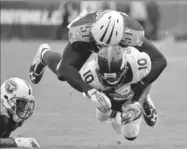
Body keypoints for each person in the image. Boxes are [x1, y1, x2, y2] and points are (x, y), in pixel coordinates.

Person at [29, 9, 167, 127]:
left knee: (133, 66)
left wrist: (139, 90)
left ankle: (144, 99)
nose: (105, 50)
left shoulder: (131, 34)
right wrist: (91, 92)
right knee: (61, 72)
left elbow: (159, 61)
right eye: (102, 45)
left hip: (121, 42)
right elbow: (66, 69)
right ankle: (43, 53)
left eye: (110, 45)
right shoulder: (81, 31)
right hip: (89, 40)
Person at [80, 45, 154, 141]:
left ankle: (146, 100)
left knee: (130, 134)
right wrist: (95, 96)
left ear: (125, 67)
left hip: (132, 92)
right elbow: (85, 89)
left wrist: (139, 102)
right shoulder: (88, 74)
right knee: (101, 117)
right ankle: (113, 113)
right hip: (109, 96)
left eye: (115, 76)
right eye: (106, 77)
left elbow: (149, 79)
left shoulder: (137, 63)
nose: (112, 81)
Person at [0, 77, 40, 148]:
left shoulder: (13, 120)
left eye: (26, 104)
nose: (25, 108)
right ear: (7, 99)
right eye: (22, 103)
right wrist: (15, 142)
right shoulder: (3, 118)